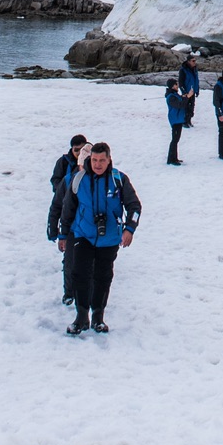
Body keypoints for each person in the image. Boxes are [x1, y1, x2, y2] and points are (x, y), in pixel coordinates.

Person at [56, 142, 140, 334]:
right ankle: (81, 317)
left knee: (103, 277)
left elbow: (134, 206)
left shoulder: (119, 179)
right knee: (79, 274)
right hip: (83, 235)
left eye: (102, 160)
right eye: (94, 160)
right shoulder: (78, 180)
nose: (98, 164)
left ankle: (98, 318)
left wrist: (130, 229)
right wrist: (63, 234)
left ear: (109, 160)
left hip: (109, 239)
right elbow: (67, 209)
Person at [47, 134, 91, 306]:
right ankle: (69, 292)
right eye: (76, 150)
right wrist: (55, 229)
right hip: (72, 224)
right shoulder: (65, 167)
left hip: (88, 227)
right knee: (70, 261)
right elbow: (56, 205)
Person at [165, 79, 189, 164]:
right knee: (175, 139)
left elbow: (180, 102)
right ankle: (171, 159)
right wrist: (187, 98)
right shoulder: (171, 96)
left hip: (178, 119)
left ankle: (174, 158)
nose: (177, 85)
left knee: (176, 139)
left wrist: (183, 97)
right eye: (176, 84)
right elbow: (180, 105)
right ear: (172, 86)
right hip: (175, 119)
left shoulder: (174, 95)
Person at [176, 54, 201, 127]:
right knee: (186, 106)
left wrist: (197, 90)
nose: (194, 62)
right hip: (187, 92)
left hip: (192, 91)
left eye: (195, 61)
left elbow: (196, 80)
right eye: (193, 61)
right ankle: (184, 121)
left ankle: (189, 120)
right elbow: (181, 82)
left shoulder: (195, 69)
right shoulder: (183, 70)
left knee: (192, 106)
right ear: (188, 61)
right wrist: (184, 92)